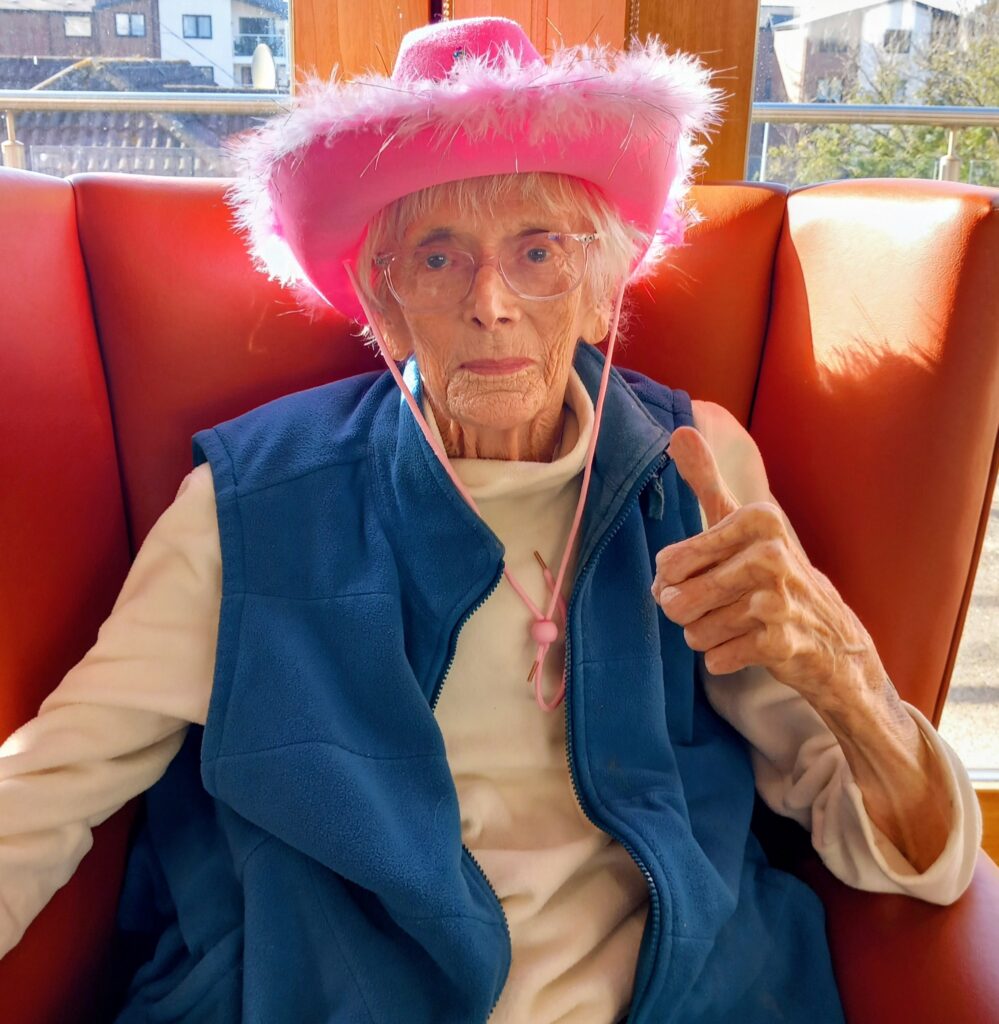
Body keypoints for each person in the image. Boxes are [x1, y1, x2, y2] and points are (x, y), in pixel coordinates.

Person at [0, 16, 982, 1024]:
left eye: (538, 251)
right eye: (437, 258)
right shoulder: (253, 499)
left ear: (600, 294)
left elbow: (912, 856)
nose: (491, 303)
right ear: (382, 308)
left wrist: (844, 671)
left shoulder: (699, 467)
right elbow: (54, 780)